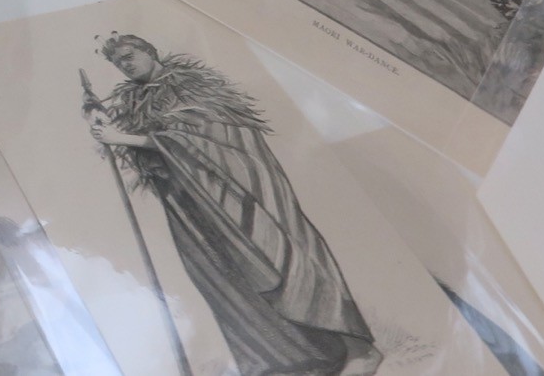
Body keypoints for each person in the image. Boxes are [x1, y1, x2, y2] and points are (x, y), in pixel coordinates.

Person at [88, 34, 381, 376]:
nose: (124, 65)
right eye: (118, 62)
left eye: (129, 55)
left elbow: (209, 136)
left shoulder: (190, 85)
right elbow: (157, 156)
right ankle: (302, 360)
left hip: (239, 190)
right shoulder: (136, 102)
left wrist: (124, 138)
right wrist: (114, 133)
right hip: (192, 199)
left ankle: (360, 350)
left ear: (149, 51)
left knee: (280, 257)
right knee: (226, 270)